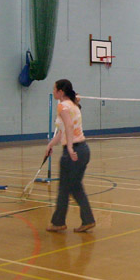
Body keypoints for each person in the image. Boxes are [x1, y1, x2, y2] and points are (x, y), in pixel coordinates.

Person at [46, 79, 96, 233]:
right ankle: (86, 220)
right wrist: (50, 145)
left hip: (73, 151)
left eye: (55, 89)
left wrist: (69, 147)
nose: (53, 91)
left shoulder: (62, 106)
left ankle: (59, 222)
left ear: (61, 92)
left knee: (64, 188)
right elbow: (63, 131)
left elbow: (69, 126)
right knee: (75, 187)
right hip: (83, 150)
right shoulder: (73, 105)